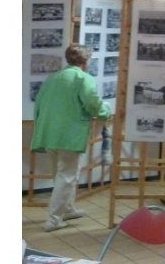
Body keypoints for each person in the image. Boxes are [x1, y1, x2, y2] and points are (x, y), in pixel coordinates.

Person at [30, 43, 111, 232]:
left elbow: (38, 106)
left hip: (48, 132)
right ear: (85, 60)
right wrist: (105, 111)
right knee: (67, 176)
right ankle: (54, 219)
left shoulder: (52, 78)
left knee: (58, 174)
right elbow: (93, 103)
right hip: (70, 133)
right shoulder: (83, 79)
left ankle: (67, 209)